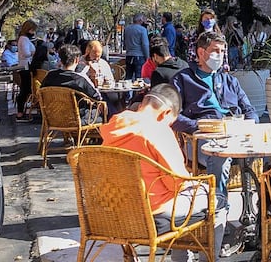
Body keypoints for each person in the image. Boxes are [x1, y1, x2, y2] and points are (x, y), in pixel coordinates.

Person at [100, 84, 225, 260]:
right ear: (165, 113)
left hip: (113, 210)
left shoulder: (113, 125)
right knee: (217, 199)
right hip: (153, 214)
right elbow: (177, 184)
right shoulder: (158, 130)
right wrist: (195, 182)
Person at [171, 31, 257, 210]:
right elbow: (172, 116)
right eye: (215, 51)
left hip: (235, 134)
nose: (220, 56)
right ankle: (218, 212)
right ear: (201, 53)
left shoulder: (229, 80)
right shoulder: (183, 79)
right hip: (202, 139)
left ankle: (268, 215)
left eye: (222, 51)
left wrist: (250, 125)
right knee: (219, 157)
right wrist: (200, 126)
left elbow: (250, 110)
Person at [41, 44, 105, 123]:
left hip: (52, 117)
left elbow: (41, 92)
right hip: (76, 119)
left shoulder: (50, 75)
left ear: (60, 60)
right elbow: (97, 97)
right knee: (101, 109)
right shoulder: (80, 79)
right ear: (77, 60)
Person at [14, 19, 38, 121]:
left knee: (25, 89)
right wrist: (34, 53)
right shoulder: (23, 39)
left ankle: (21, 111)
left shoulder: (24, 39)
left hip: (26, 66)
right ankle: (20, 113)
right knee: (25, 89)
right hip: (25, 67)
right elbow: (25, 53)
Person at [123, 13, 150, 80]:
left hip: (129, 55)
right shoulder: (142, 30)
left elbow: (125, 42)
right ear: (140, 20)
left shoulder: (127, 29)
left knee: (128, 76)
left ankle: (127, 90)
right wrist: (147, 57)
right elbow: (145, 45)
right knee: (139, 78)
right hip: (139, 56)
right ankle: (137, 90)